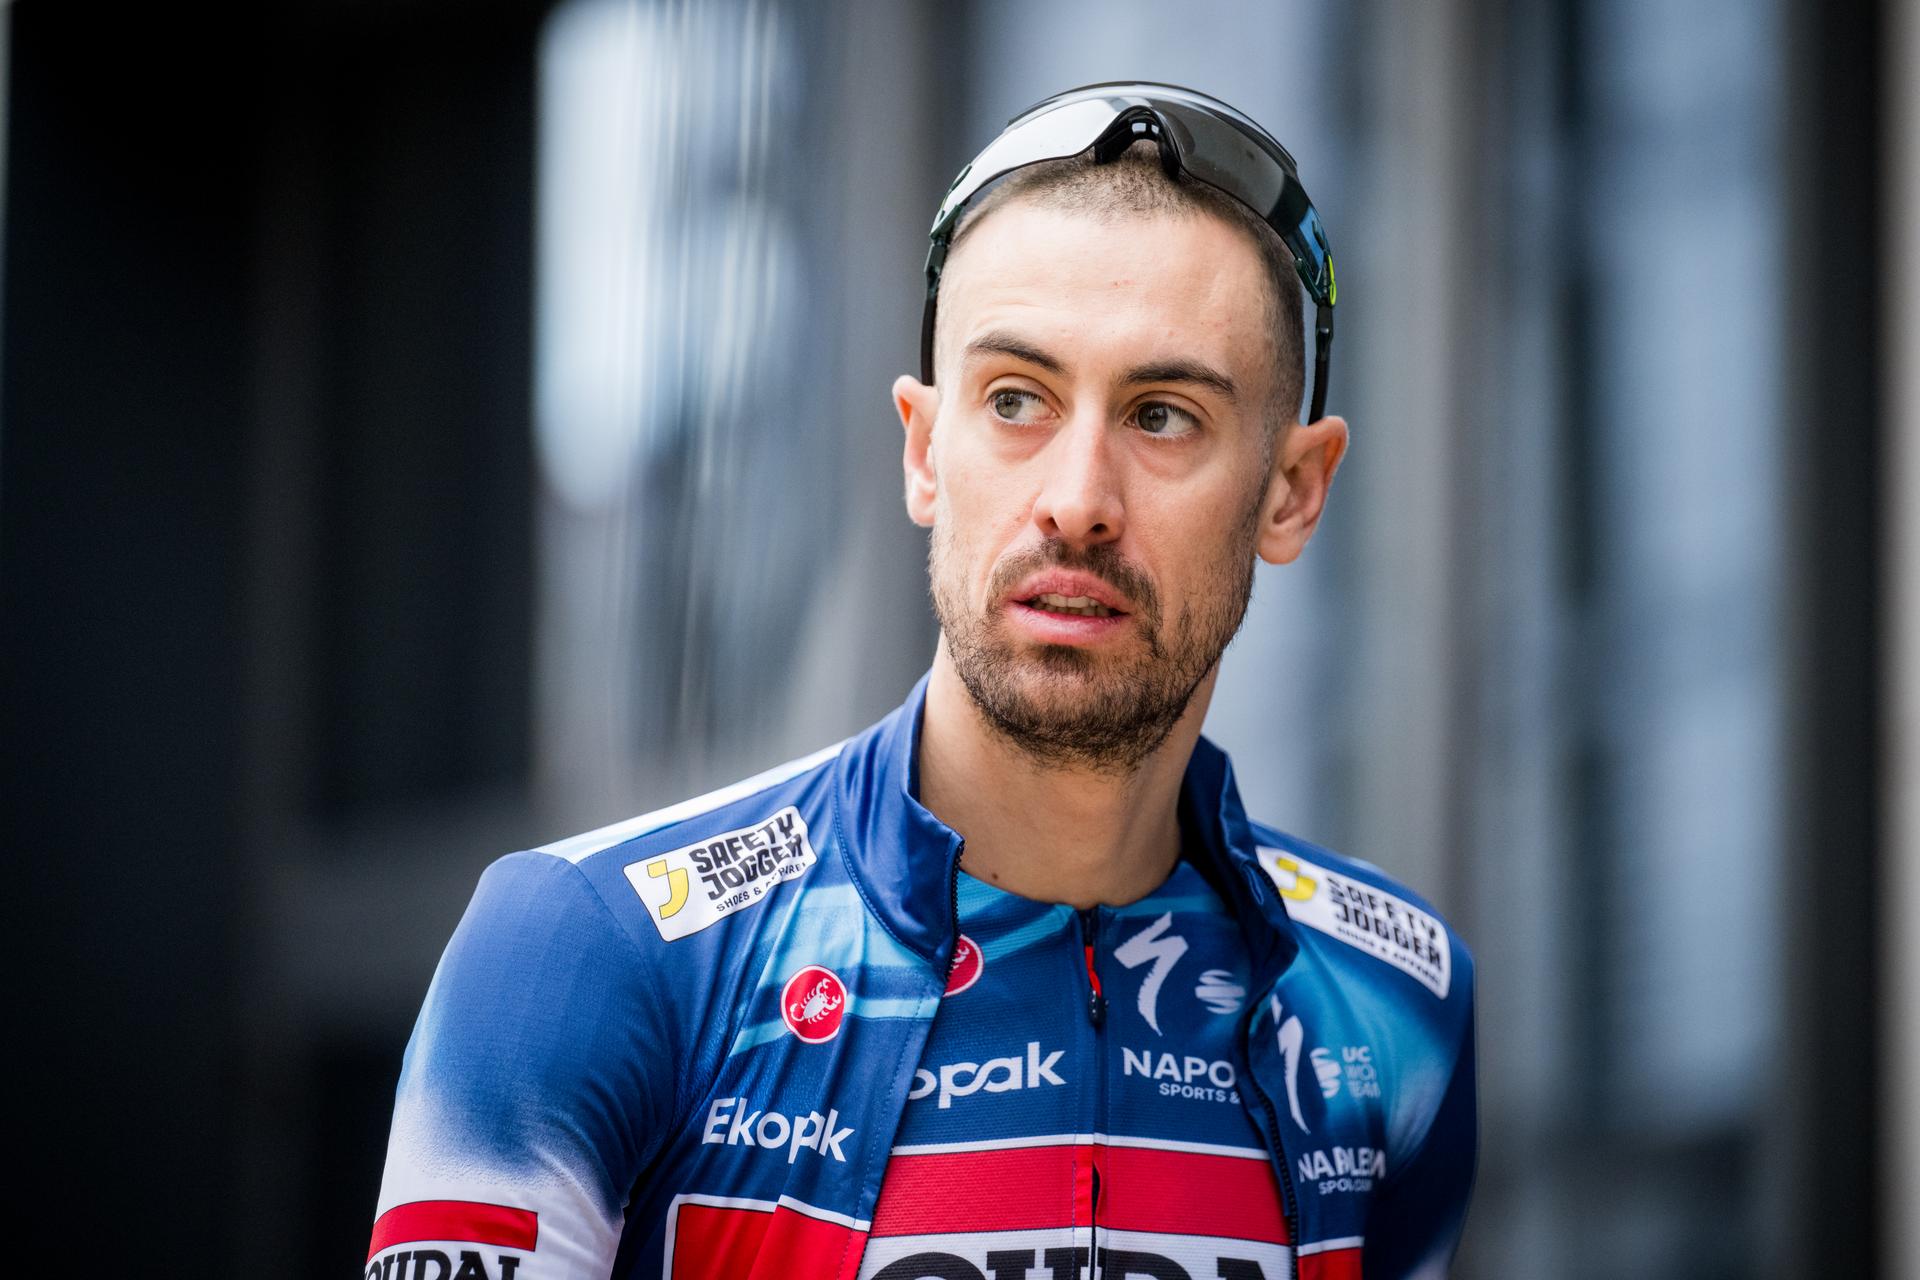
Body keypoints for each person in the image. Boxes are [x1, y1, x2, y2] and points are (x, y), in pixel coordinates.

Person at [366, 83, 1475, 1280]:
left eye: (1163, 416)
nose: (1077, 499)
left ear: (1293, 490)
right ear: (922, 448)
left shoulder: (1397, 996)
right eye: (1015, 400)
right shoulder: (592, 951)